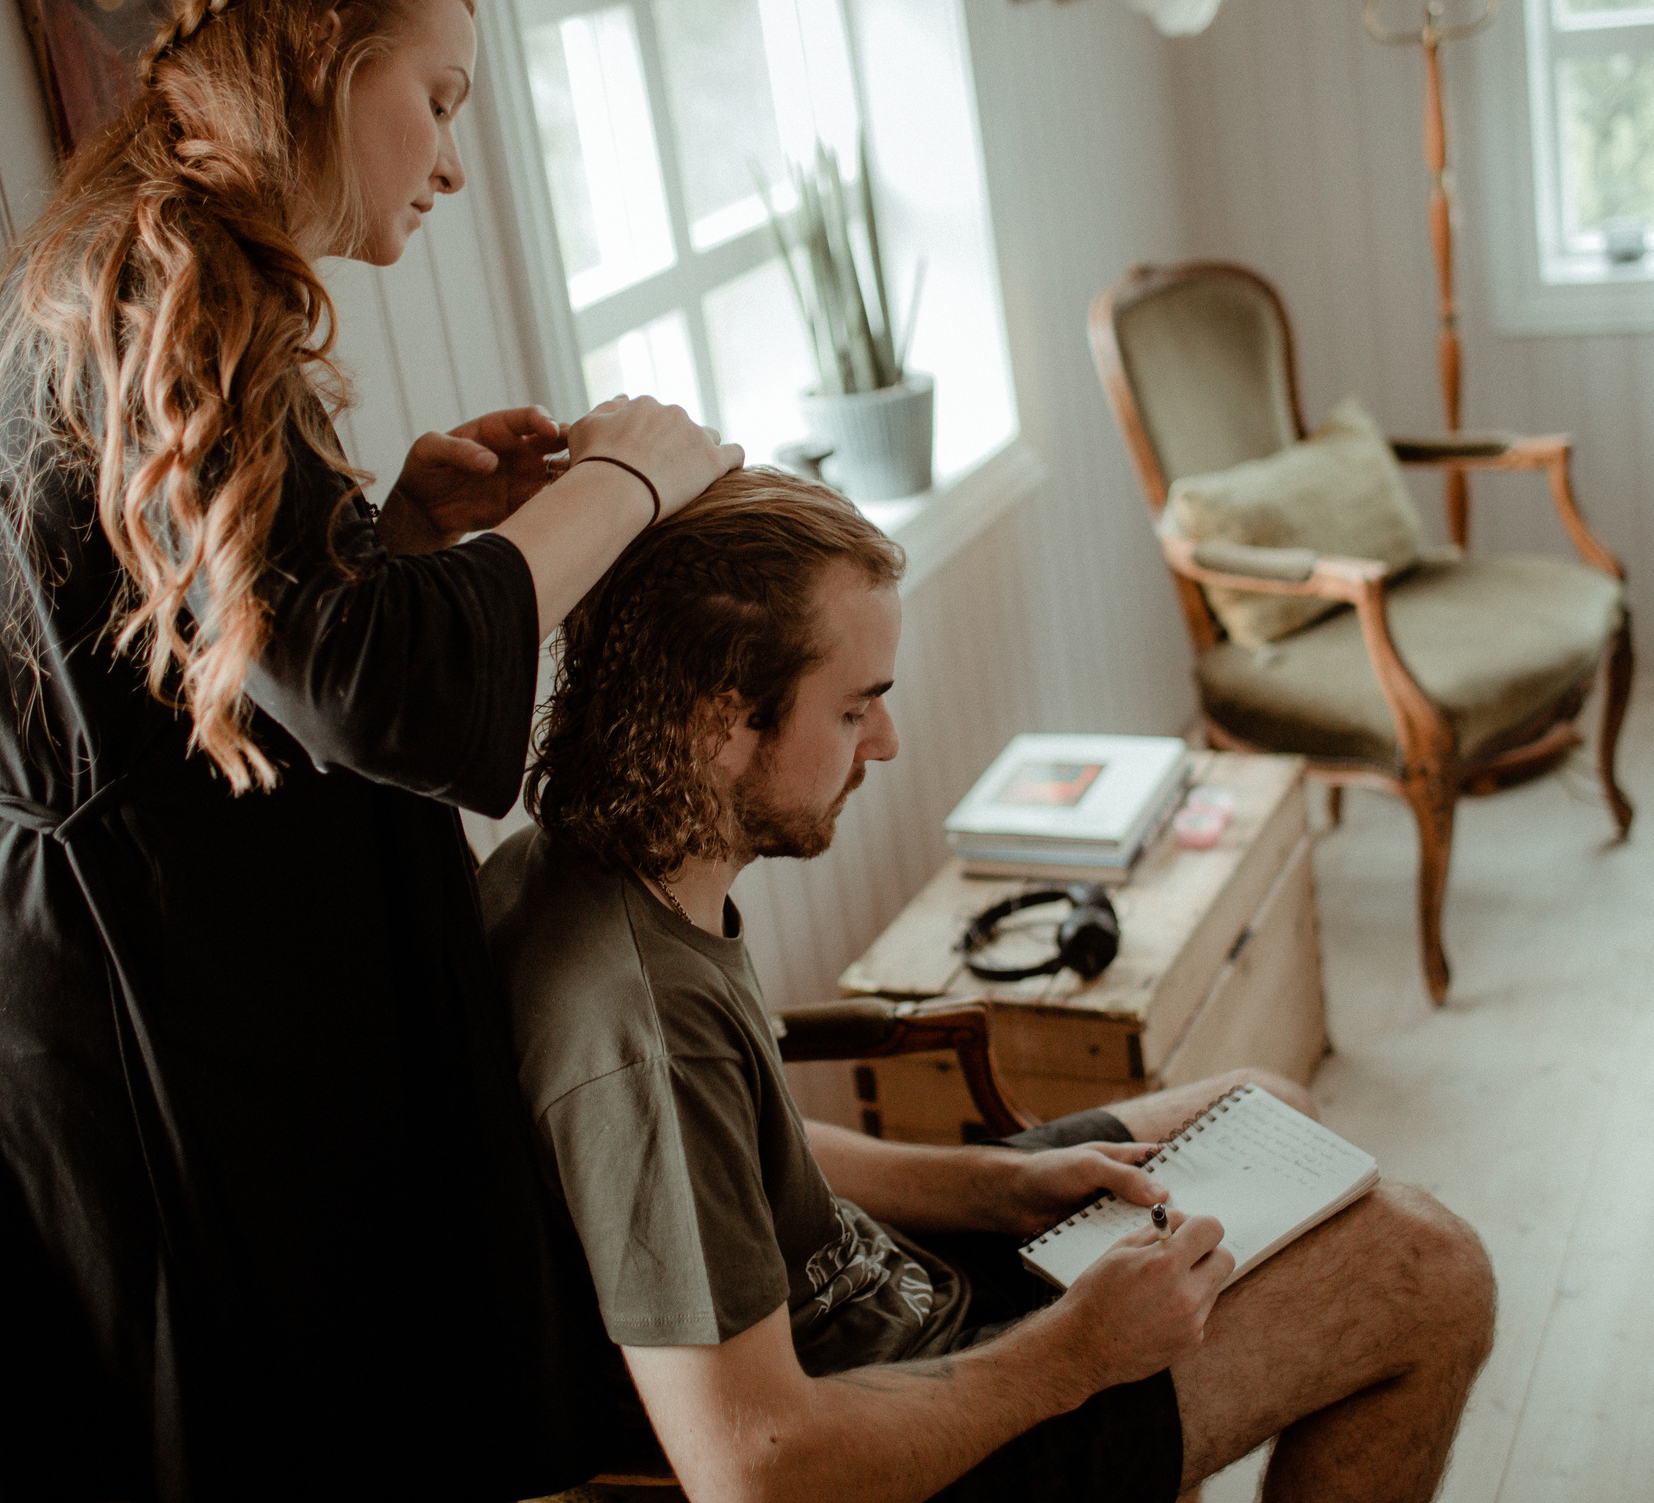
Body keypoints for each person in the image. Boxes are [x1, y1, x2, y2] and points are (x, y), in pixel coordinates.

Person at [0, 0, 738, 1500]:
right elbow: (375, 691)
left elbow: (227, 650)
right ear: (326, 64)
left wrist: (390, 533)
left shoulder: (149, 266)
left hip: (98, 1001)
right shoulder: (161, 288)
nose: (453, 160)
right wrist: (621, 482)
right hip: (89, 1045)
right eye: (442, 98)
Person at [479, 468, 1500, 1503]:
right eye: (853, 709)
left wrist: (995, 1186)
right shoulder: (644, 1031)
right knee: (1426, 1272)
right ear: (721, 723)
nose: (884, 741)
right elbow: (757, 1469)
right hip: (892, 1439)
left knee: (1264, 1109)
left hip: (900, 1302)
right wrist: (1079, 1352)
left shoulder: (582, 865)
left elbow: (737, 1161)